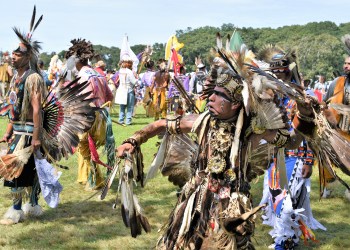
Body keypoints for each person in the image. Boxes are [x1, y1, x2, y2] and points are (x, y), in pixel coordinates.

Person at [116, 42, 315, 248]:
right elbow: (161, 124)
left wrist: (305, 115)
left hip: (232, 203)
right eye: (213, 92)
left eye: (219, 95)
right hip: (197, 198)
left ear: (236, 104)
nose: (210, 97)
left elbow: (291, 142)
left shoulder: (252, 130)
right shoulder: (203, 121)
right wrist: (133, 140)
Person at [258, 45, 326, 250]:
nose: (278, 74)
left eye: (281, 70)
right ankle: (285, 238)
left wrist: (307, 160)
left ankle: (285, 241)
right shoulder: (267, 96)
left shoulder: (300, 96)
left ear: (288, 71)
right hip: (273, 156)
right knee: (277, 199)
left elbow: (309, 132)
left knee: (289, 203)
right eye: (274, 71)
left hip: (295, 157)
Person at [0, 10, 46, 225]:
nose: (12, 56)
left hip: (29, 132)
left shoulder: (33, 78)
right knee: (17, 169)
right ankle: (29, 205)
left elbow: (37, 110)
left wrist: (36, 137)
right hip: (18, 131)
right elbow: (14, 107)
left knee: (22, 171)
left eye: (17, 54)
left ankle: (20, 209)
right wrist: (8, 131)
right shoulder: (16, 78)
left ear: (28, 56)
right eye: (12, 54)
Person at [65, 38, 114, 190]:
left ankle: (96, 180)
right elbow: (110, 97)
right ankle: (84, 177)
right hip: (101, 118)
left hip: (88, 118)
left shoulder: (82, 76)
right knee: (84, 147)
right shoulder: (98, 74)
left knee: (86, 148)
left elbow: (84, 101)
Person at [322, 36, 350, 200]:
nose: (345, 66)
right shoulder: (337, 82)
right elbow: (325, 102)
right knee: (327, 155)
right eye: (345, 63)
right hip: (337, 127)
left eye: (349, 64)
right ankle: (328, 185)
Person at [115, 55, 137, 125]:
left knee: (122, 107)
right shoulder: (129, 72)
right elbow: (134, 82)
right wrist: (137, 78)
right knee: (130, 107)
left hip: (121, 90)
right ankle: (128, 121)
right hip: (129, 90)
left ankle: (121, 120)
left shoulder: (120, 71)